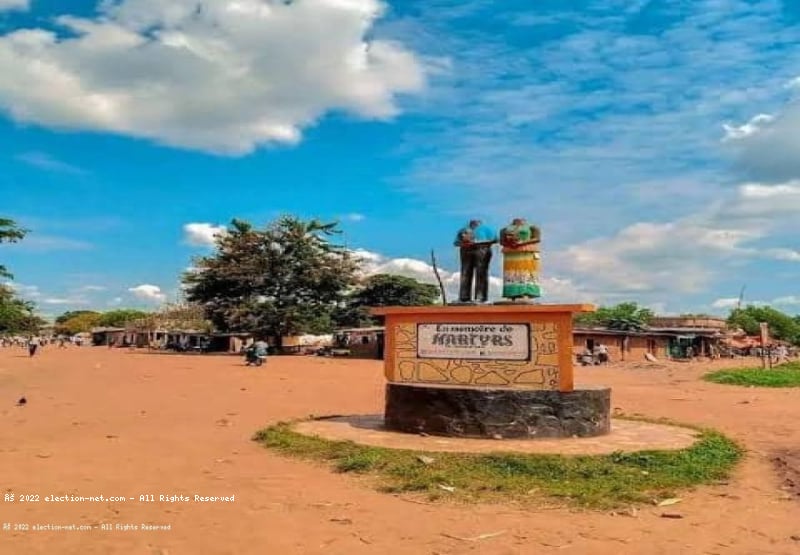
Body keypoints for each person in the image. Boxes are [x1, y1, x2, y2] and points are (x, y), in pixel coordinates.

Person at [454, 219, 497, 303]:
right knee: (465, 273)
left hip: (481, 250)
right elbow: (456, 242)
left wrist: (477, 242)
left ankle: (480, 297)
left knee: (481, 273)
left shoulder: (486, 229)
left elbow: (495, 239)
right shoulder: (463, 229)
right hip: (465, 250)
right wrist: (463, 243)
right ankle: (464, 297)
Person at [499, 218, 542, 300]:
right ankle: (511, 293)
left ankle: (526, 292)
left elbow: (537, 239)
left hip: (527, 252)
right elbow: (502, 241)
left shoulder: (532, 227)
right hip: (511, 253)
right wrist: (510, 243)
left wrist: (522, 243)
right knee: (511, 273)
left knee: (526, 271)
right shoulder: (504, 229)